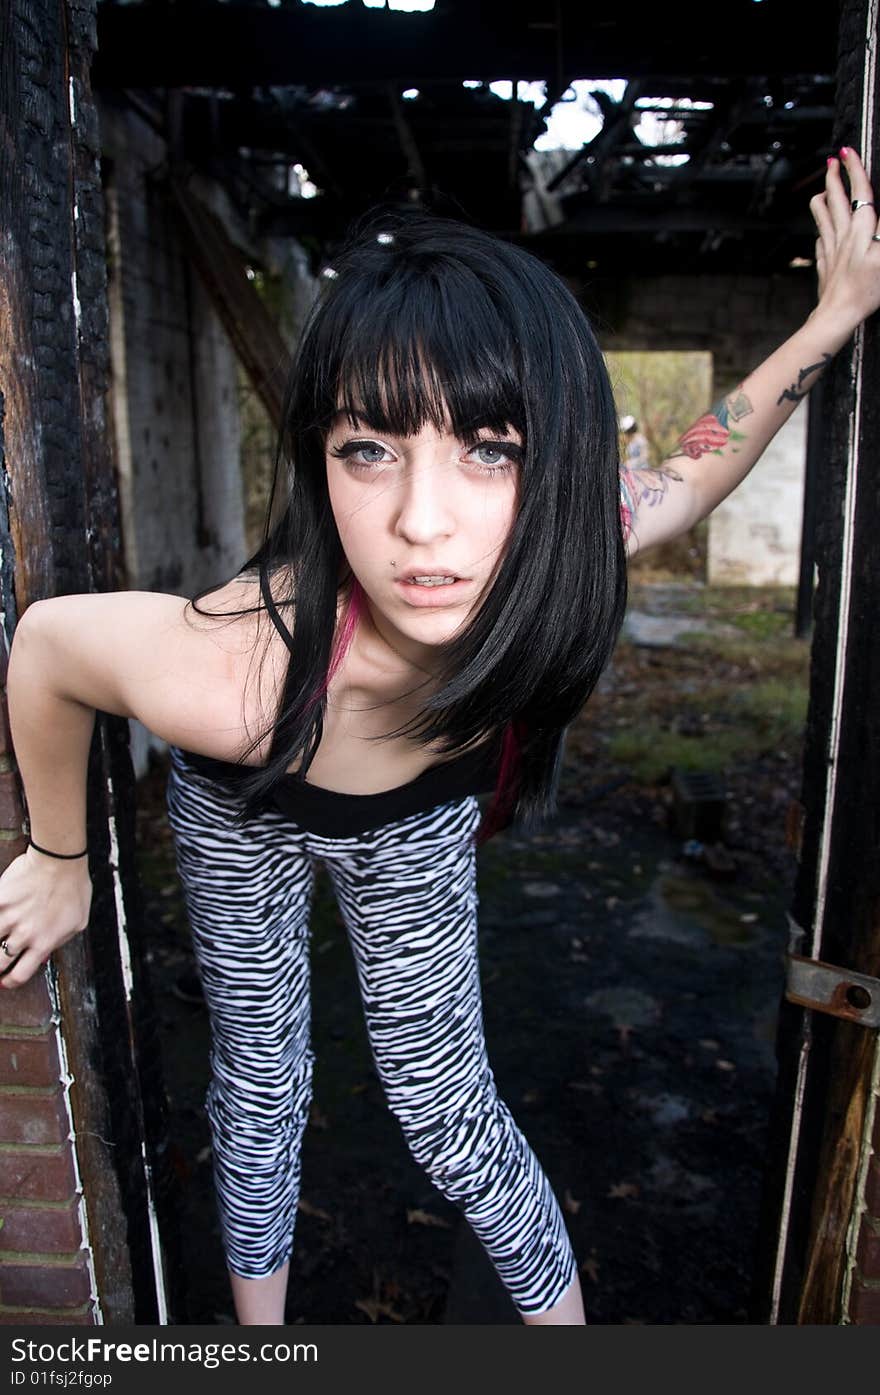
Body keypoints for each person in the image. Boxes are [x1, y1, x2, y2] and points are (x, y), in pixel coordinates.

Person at [1, 148, 878, 1327]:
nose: (423, 523)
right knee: (260, 1083)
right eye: (369, 448)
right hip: (243, 801)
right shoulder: (228, 677)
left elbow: (698, 459)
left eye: (489, 448)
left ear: (549, 464)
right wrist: (61, 861)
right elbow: (51, 645)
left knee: (444, 1104)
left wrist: (834, 314)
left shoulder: (565, 541)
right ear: (322, 460)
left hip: (413, 819)